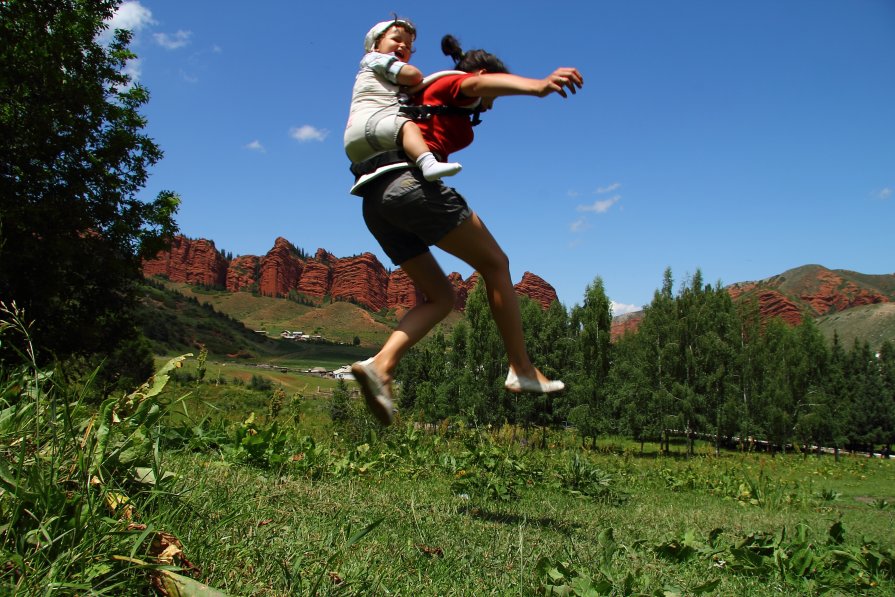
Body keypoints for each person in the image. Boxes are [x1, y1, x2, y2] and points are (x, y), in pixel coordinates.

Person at [350, 33, 584, 425]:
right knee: (496, 263)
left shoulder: (420, 98)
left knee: (440, 298)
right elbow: (474, 84)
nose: (490, 105)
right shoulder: (451, 84)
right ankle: (521, 368)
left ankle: (380, 366)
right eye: (493, 90)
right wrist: (538, 86)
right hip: (411, 189)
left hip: (376, 202)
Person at [344, 18, 462, 182]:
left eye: (408, 46)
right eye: (396, 39)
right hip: (373, 123)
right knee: (408, 127)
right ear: (376, 45)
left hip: (356, 144)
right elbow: (413, 76)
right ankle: (428, 163)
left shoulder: (384, 77)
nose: (402, 46)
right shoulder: (376, 58)